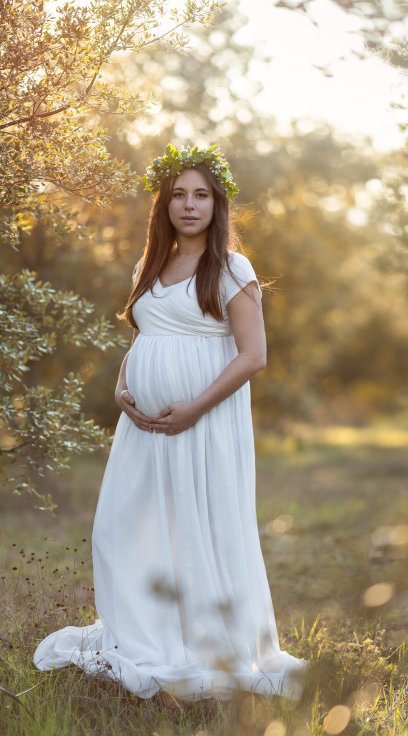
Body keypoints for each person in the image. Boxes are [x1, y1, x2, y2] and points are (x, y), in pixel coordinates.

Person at [34, 144, 306, 701]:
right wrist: (120, 385)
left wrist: (193, 409)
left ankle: (206, 643)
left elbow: (253, 356)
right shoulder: (150, 265)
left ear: (217, 204)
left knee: (200, 526)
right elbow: (145, 335)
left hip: (203, 423)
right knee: (122, 530)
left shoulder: (232, 268)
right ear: (164, 204)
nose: (189, 205)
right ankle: (143, 633)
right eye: (179, 195)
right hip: (144, 426)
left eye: (201, 195)